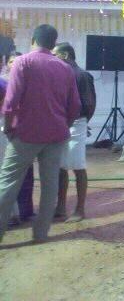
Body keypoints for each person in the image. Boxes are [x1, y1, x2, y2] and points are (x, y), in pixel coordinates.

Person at [0, 25, 81, 243]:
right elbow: (75, 107)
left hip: (25, 134)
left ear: (33, 39)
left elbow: (10, 102)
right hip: (56, 135)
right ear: (53, 44)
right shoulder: (65, 68)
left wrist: (9, 127)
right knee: (50, 184)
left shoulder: (23, 62)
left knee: (7, 183)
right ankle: (40, 234)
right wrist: (64, 125)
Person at [52, 42, 96, 222]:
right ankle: (60, 207)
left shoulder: (82, 75)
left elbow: (89, 104)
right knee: (61, 167)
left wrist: (82, 124)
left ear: (64, 55)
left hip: (76, 124)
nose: (52, 58)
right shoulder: (59, 74)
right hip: (60, 124)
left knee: (78, 167)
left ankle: (79, 210)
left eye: (55, 55)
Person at [2, 52, 34, 224]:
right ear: (7, 64)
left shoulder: (27, 82)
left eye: (17, 62)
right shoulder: (3, 81)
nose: (14, 65)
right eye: (11, 62)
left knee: (26, 174)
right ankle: (12, 214)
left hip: (21, 132)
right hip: (7, 131)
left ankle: (25, 211)